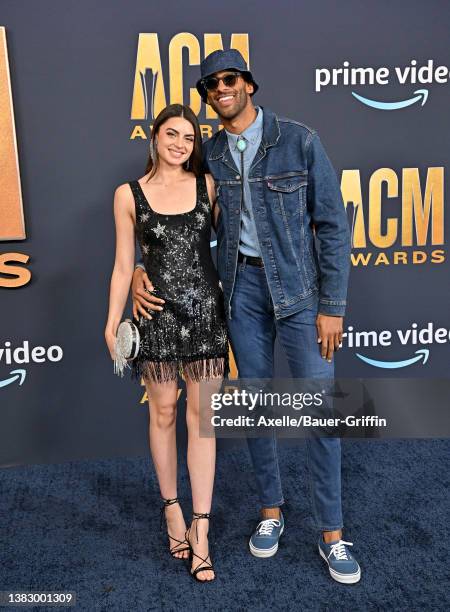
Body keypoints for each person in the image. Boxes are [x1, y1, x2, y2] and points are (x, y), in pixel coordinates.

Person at [132, 51, 361, 584]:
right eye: (210, 85)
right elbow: (174, 219)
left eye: (229, 79)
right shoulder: (207, 151)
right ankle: (271, 512)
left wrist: (333, 305)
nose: (221, 89)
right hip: (240, 292)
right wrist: (143, 271)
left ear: (249, 84)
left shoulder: (298, 140)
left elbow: (332, 226)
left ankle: (332, 533)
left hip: (301, 292)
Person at [105, 103, 229, 582]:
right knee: (163, 413)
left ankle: (201, 525)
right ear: (153, 137)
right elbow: (122, 263)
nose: (180, 143)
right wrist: (112, 320)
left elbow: (231, 243)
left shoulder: (208, 186)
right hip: (154, 317)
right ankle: (171, 508)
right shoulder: (127, 195)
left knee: (202, 422)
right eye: (171, 134)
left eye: (189, 137)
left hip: (204, 316)